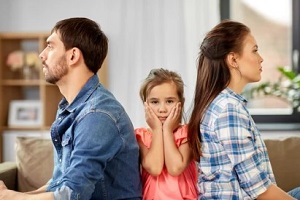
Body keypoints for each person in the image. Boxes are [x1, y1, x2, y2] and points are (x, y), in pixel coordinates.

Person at [0, 17, 142, 200]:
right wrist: (12, 195)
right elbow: (61, 183)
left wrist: (9, 197)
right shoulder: (71, 108)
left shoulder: (97, 115)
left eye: (50, 47)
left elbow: (71, 194)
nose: (41, 55)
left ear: (73, 56)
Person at [188, 19, 300, 199]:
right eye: (255, 50)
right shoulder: (228, 109)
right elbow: (259, 190)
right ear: (233, 59)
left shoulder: (225, 103)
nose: (261, 58)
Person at [135, 68, 198, 200]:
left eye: (169, 101)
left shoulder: (187, 133)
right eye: (154, 102)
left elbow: (175, 168)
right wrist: (158, 130)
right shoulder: (141, 136)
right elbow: (155, 168)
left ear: (181, 103)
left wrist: (167, 130)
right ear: (145, 105)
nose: (162, 109)